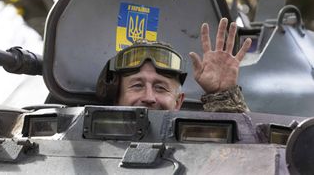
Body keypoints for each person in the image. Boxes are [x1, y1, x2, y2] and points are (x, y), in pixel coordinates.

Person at [96, 18, 252, 112]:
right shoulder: (91, 142)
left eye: (161, 88)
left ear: (178, 102)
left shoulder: (194, 142)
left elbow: (244, 156)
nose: (149, 98)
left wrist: (222, 95)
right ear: (117, 97)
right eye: (137, 85)